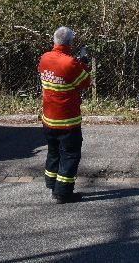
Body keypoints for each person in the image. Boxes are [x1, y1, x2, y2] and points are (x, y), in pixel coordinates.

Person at [38, 26, 91, 204]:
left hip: (48, 119)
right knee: (70, 155)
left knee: (53, 152)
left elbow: (57, 72)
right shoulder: (71, 64)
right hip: (68, 121)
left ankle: (52, 184)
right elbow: (85, 82)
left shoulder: (44, 58)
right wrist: (82, 63)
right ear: (70, 42)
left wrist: (75, 63)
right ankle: (63, 193)